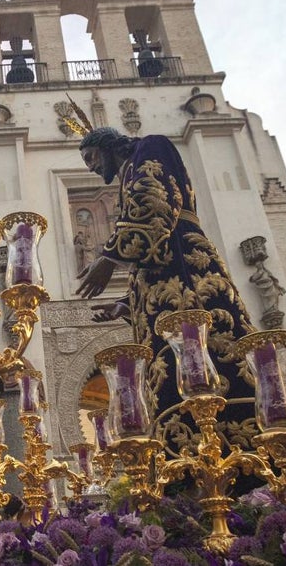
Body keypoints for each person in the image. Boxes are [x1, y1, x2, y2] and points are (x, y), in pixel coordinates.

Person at [75, 127, 260, 460]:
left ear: (106, 146)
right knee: (170, 377)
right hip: (165, 291)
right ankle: (185, 458)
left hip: (190, 275)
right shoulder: (126, 174)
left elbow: (153, 201)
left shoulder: (151, 146)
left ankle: (230, 450)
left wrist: (108, 257)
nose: (89, 166)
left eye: (90, 157)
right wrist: (125, 304)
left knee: (211, 363)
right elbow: (150, 256)